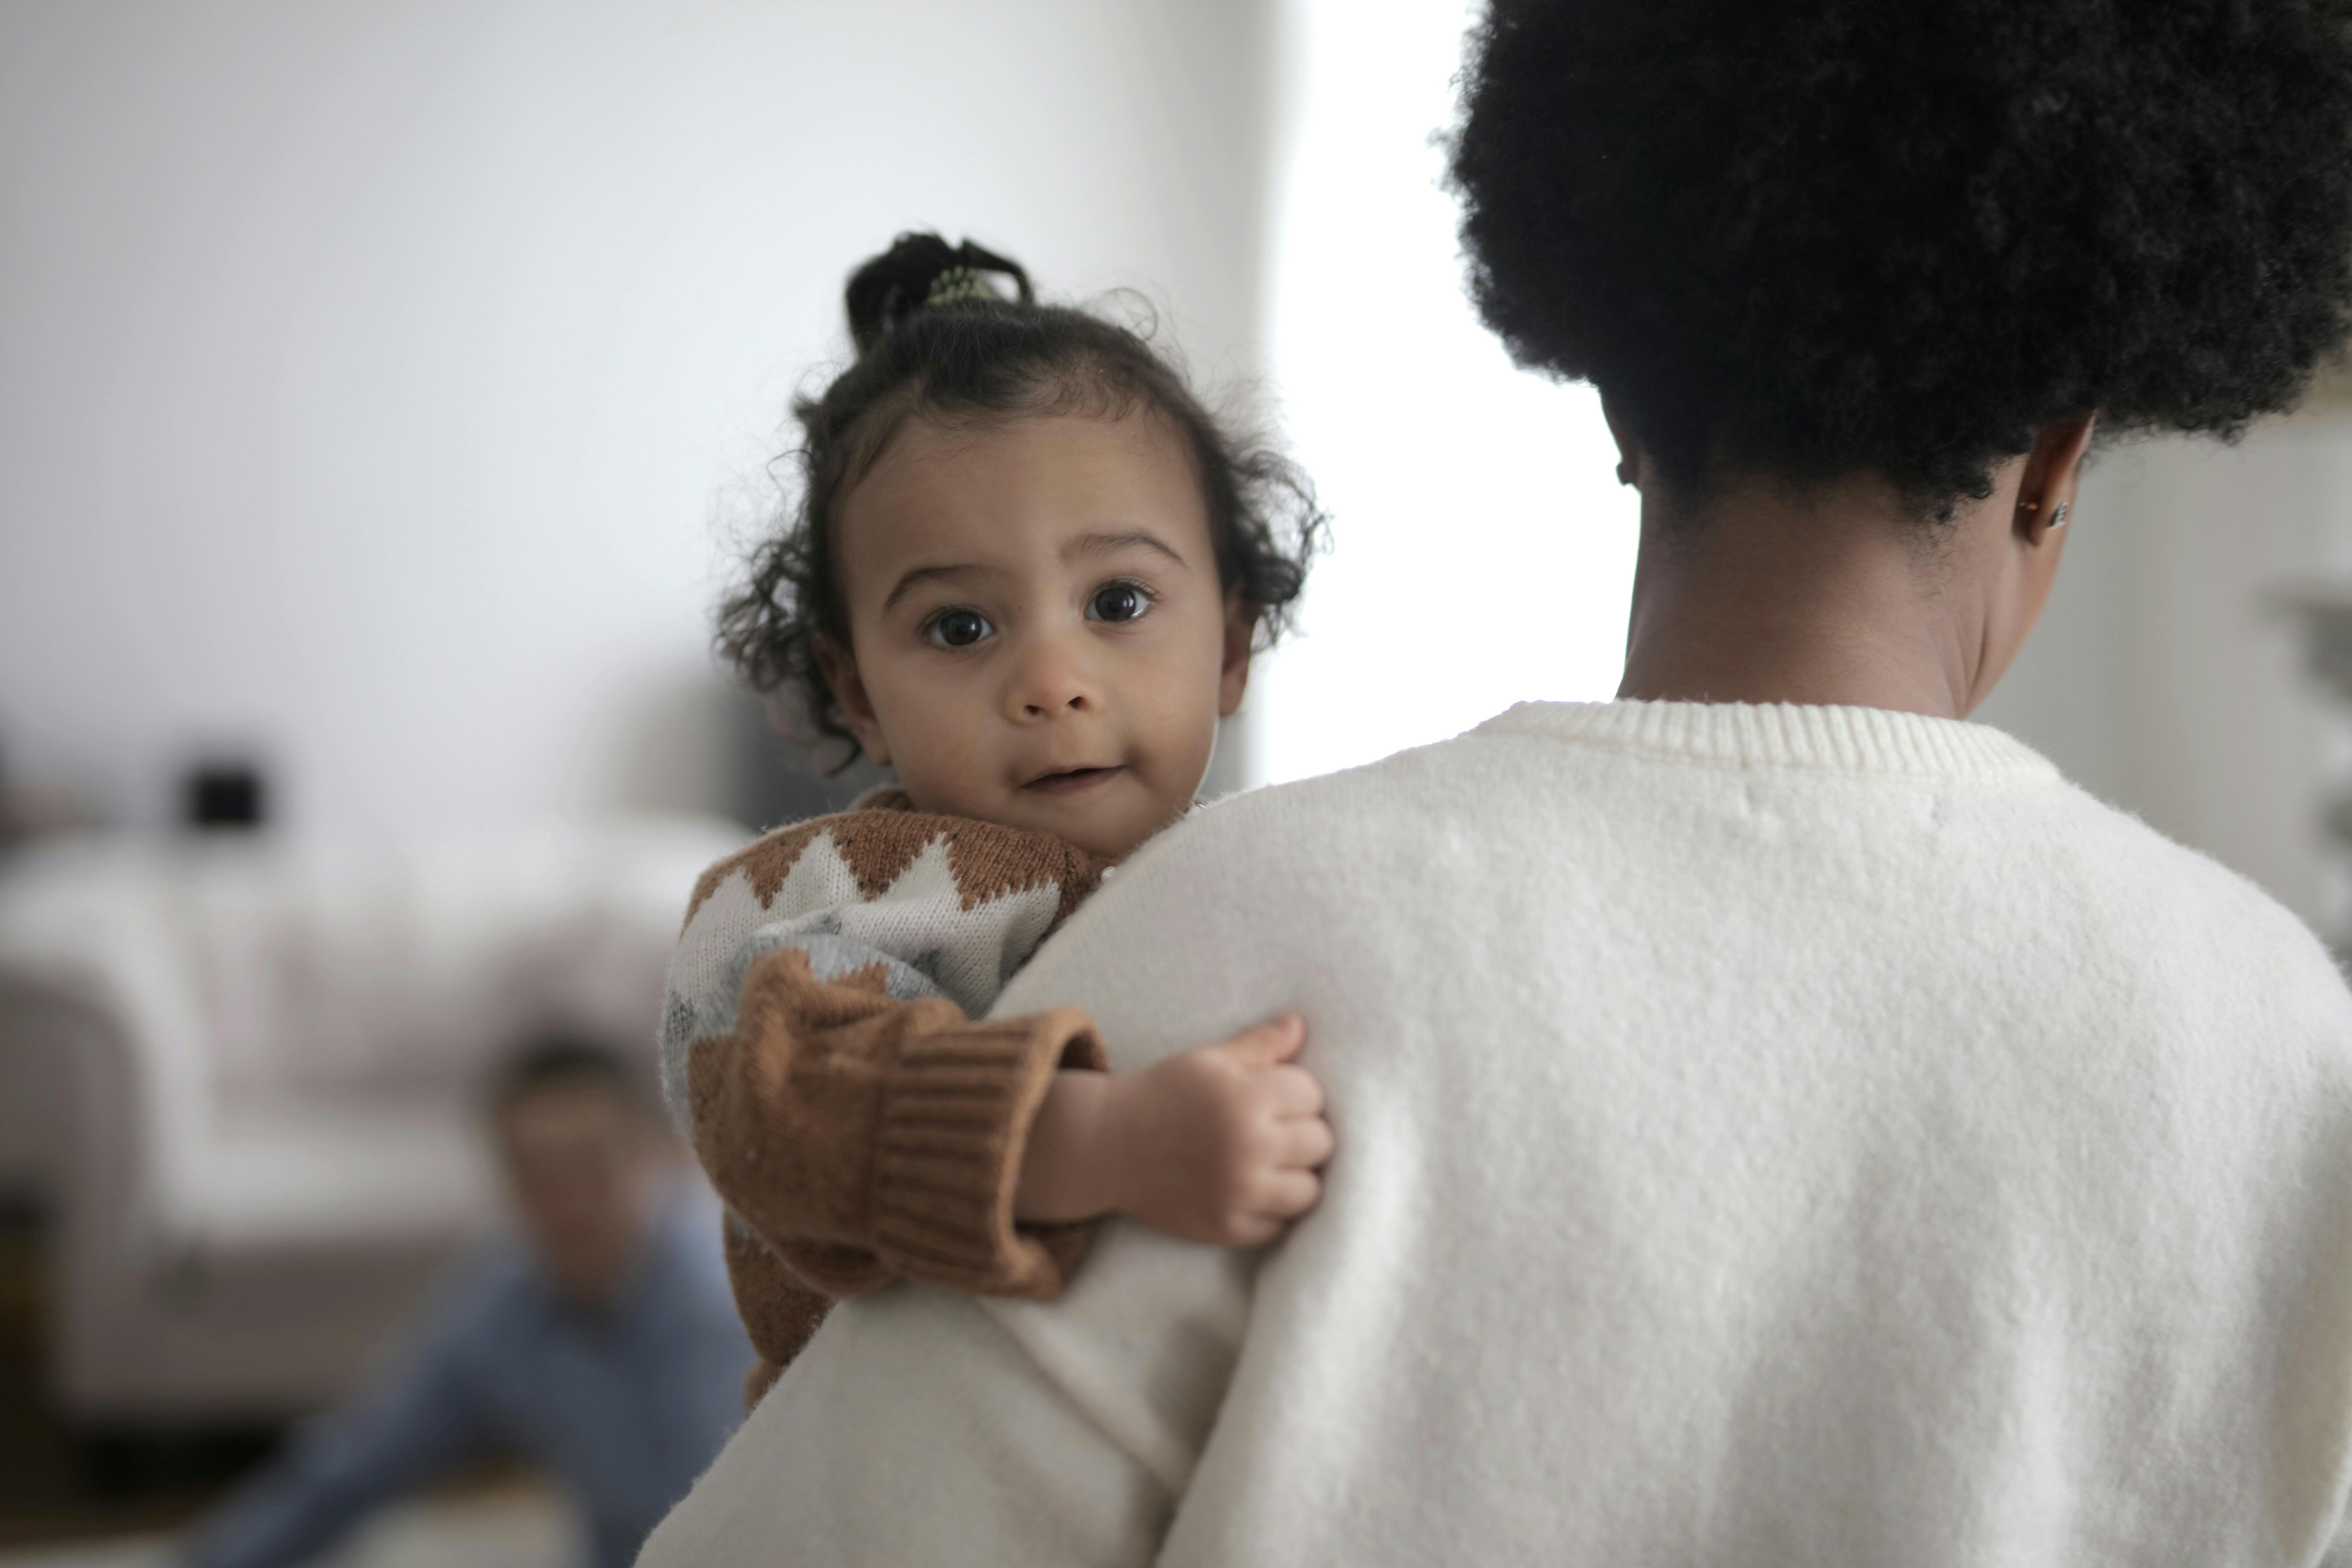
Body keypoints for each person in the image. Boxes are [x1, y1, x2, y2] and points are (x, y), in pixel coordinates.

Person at [643, 2, 2352, 1563]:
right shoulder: (2288, 1040)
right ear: (2058, 463)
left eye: (1121, 599)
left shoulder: (1220, 952)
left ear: (1617, 397)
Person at [658, 233, 1335, 1401]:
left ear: (1230, 645)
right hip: (879, 1462)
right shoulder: (859, 893)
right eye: (961, 628)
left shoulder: (1247, 862)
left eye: (1117, 601)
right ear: (858, 691)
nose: (1051, 680)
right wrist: (1103, 1143)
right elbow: (789, 1108)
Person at [181, 1041, 752, 1568]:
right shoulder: (509, 1306)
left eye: (591, 1169)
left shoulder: (718, 1305)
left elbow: (739, 1530)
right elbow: (353, 1465)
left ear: (658, 1157)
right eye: (537, 1179)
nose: (567, 1207)